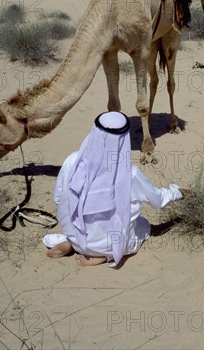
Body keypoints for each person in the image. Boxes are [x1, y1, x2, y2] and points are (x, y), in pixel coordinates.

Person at [43, 111, 184, 267]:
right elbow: (158, 200)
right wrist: (178, 192)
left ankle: (74, 244)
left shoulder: (73, 161)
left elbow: (58, 199)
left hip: (76, 234)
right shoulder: (129, 173)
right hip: (108, 243)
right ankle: (104, 255)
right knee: (143, 226)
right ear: (123, 139)